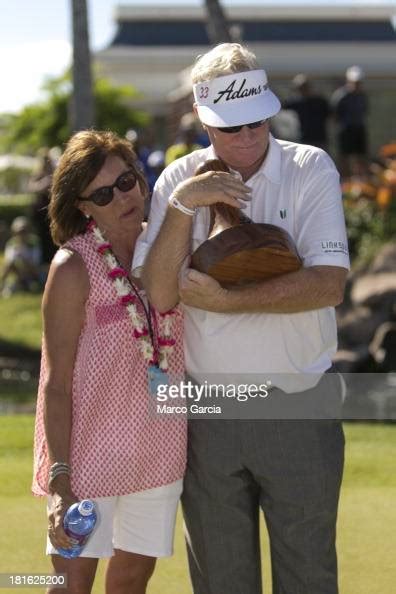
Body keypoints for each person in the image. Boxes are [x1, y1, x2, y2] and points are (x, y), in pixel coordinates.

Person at [133, 43, 350, 594]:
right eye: (232, 128)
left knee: (308, 577)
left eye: (257, 121)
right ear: (204, 121)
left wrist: (229, 302)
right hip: (207, 411)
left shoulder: (310, 166)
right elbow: (158, 295)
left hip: (299, 402)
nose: (248, 137)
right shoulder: (176, 180)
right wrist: (185, 205)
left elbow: (329, 284)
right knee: (220, 579)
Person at [32, 130, 186, 594]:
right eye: (102, 193)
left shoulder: (170, 247)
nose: (123, 196)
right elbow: (54, 385)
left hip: (160, 451)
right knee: (72, 586)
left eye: (126, 182)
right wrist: (61, 484)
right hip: (86, 458)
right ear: (83, 206)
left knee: (131, 584)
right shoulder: (72, 267)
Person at [331, 65, 369, 177]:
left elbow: (364, 111)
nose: (357, 85)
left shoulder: (362, 96)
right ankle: (345, 182)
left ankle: (361, 181)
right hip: (346, 130)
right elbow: (335, 115)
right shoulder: (341, 96)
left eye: (359, 82)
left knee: (361, 157)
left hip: (359, 129)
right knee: (344, 157)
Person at [283, 73, 330, 149]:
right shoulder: (294, 103)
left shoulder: (321, 102)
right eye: (300, 88)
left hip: (320, 139)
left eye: (305, 87)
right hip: (302, 139)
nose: (303, 90)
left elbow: (329, 116)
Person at [0, 216, 42, 297]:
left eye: (24, 231)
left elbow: (36, 262)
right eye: (19, 232)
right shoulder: (11, 243)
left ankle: (28, 283)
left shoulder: (34, 242)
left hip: (32, 271)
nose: (22, 234)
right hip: (18, 271)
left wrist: (24, 256)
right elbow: (9, 262)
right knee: (9, 265)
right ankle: (3, 285)